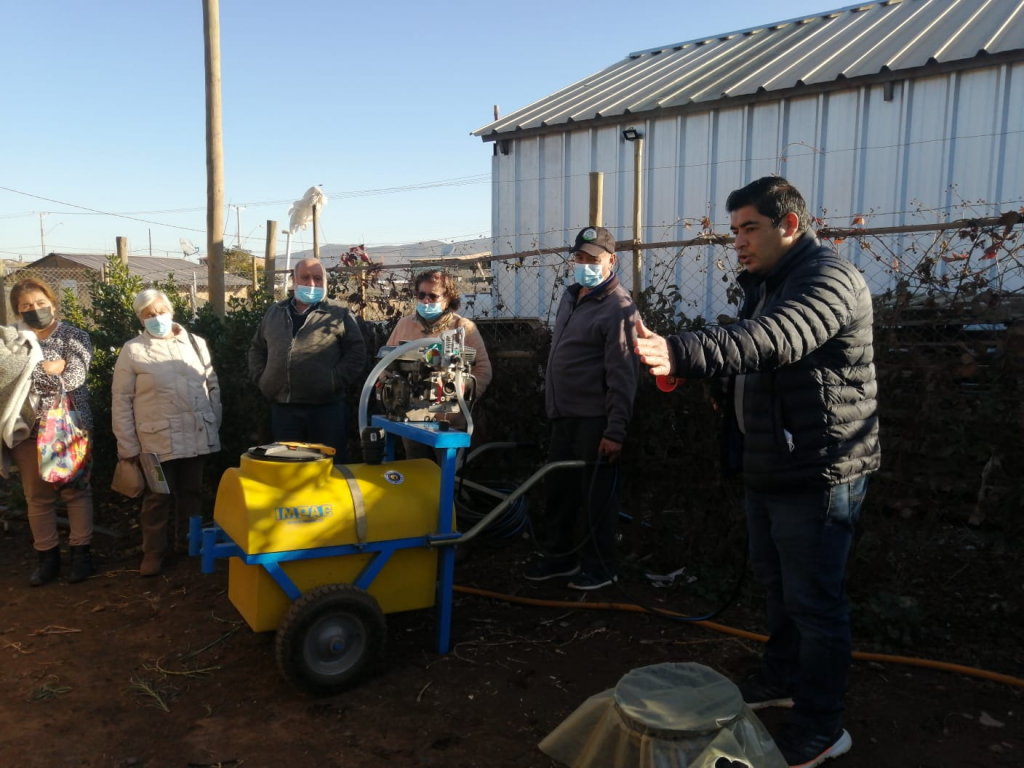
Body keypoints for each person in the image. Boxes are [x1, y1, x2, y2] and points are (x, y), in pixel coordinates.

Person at [634, 177, 879, 768]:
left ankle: (823, 726)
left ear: (788, 224)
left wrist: (684, 353)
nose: (737, 242)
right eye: (734, 231)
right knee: (780, 591)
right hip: (772, 466)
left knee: (816, 604)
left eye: (750, 229)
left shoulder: (829, 278)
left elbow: (776, 340)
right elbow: (757, 366)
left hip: (820, 470)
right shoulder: (767, 283)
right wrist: (706, 380)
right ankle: (783, 676)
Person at [525, 226, 639, 591]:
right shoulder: (571, 297)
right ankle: (560, 559)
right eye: (579, 257)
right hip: (563, 415)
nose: (585, 264)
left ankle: (602, 568)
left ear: (611, 260)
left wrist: (614, 431)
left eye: (593, 258)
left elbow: (623, 375)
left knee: (596, 498)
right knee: (560, 491)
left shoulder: (619, 308)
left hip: (595, 420)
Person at [112, 289, 222, 577]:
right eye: (149, 314)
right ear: (140, 319)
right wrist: (128, 446)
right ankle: (154, 552)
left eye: (161, 311)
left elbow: (212, 385)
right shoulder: (133, 350)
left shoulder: (196, 344)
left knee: (192, 493)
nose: (156, 318)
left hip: (195, 434)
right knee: (157, 497)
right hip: (154, 442)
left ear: (172, 311)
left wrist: (212, 421)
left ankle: (189, 543)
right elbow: (121, 400)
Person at [6, 277, 95, 586]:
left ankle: (81, 553)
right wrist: (46, 367)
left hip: (68, 426)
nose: (35, 309)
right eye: (27, 306)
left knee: (75, 491)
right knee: (37, 497)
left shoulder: (74, 335)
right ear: (17, 311)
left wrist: (31, 373)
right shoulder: (11, 342)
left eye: (41, 303)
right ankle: (47, 558)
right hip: (26, 430)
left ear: (53, 303)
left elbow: (73, 377)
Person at [248, 258, 366, 461]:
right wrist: (263, 379)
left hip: (326, 410)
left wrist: (333, 380)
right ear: (293, 280)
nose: (312, 284)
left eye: (317, 278)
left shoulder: (337, 314)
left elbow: (357, 352)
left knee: (329, 468)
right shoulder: (275, 312)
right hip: (284, 410)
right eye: (305, 277)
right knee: (287, 469)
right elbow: (257, 348)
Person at [385, 269, 493, 460]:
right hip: (411, 419)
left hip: (449, 423)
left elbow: (483, 369)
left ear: (448, 298)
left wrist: (461, 396)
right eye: (421, 295)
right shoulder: (404, 325)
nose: (426, 301)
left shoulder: (463, 328)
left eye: (433, 296)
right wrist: (392, 390)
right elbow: (385, 364)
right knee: (418, 473)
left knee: (447, 475)